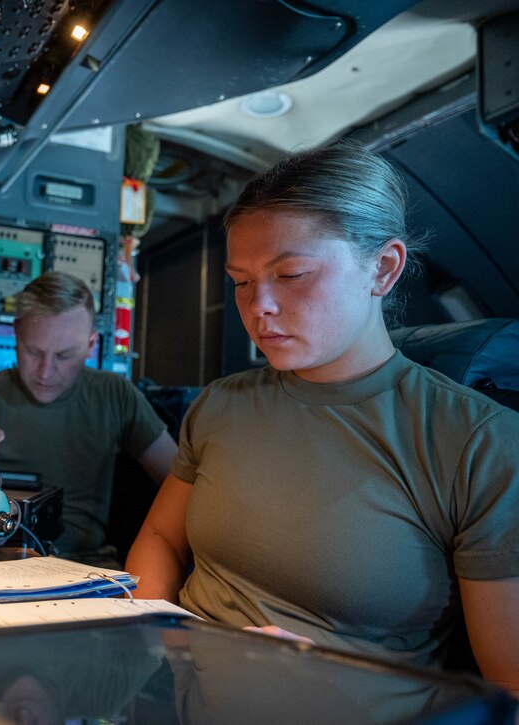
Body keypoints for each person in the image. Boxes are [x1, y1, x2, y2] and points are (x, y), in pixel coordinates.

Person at [125, 141, 519, 696]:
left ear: (382, 269)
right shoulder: (221, 405)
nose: (257, 304)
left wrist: (321, 683)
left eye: (291, 275)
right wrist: (156, 638)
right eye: (240, 281)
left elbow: (510, 689)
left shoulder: (480, 444)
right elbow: (162, 537)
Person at [0, 271, 178, 566]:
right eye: (34, 351)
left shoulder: (115, 395)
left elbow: (180, 482)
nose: (46, 372)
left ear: (91, 345)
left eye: (64, 355)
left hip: (83, 568)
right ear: (17, 333)